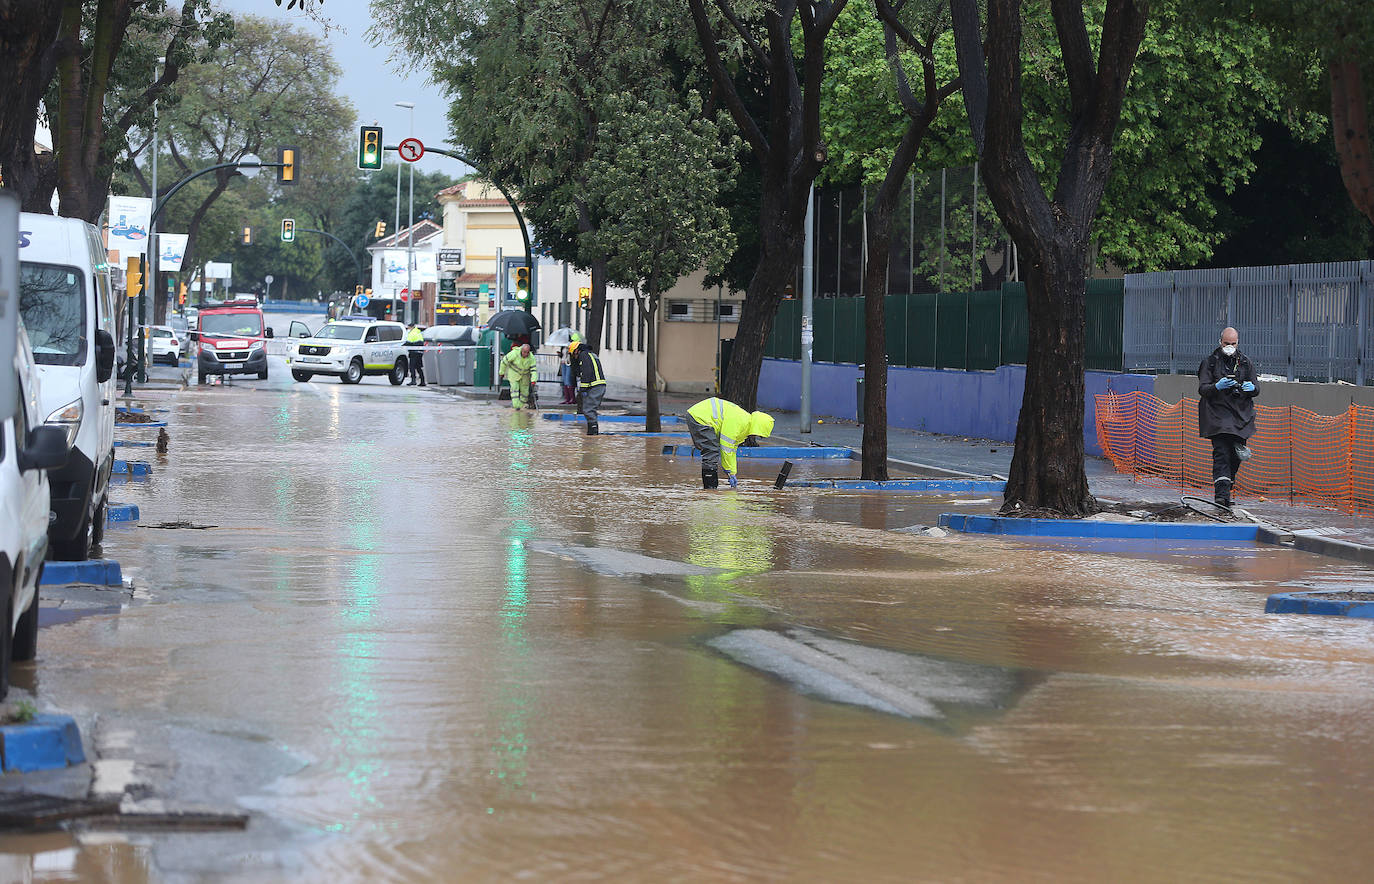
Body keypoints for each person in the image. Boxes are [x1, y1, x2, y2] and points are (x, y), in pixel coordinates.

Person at [1198, 326, 1260, 507]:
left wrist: (1251, 388)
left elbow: (1256, 388)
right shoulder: (1210, 362)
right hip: (1217, 417)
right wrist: (1217, 386)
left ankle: (1226, 490)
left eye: (1233, 343)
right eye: (1227, 343)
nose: (1230, 347)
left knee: (1235, 456)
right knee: (1221, 454)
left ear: (1238, 342)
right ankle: (1221, 497)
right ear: (1220, 342)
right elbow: (1203, 388)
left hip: (1240, 418)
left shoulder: (1245, 363)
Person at [686, 397, 776, 490]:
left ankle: (710, 488)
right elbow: (726, 446)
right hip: (700, 417)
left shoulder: (745, 427)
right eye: (758, 434)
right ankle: (710, 490)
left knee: (711, 451)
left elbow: (732, 450)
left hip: (701, 417)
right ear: (758, 427)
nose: (756, 436)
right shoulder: (740, 421)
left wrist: (732, 472)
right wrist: (728, 470)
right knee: (711, 451)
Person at [569, 339, 606, 435]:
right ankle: (592, 432)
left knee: (588, 410)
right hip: (596, 385)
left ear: (577, 350)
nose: (574, 357)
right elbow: (580, 372)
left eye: (573, 355)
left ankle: (593, 433)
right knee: (589, 409)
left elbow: (586, 372)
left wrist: (583, 389)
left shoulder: (583, 355)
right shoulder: (589, 354)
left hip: (595, 386)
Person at [500, 342, 538, 410]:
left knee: (525, 394)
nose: (526, 354)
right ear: (521, 350)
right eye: (524, 352)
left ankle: (519, 407)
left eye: (527, 352)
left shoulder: (531, 358)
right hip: (514, 374)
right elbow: (504, 362)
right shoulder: (514, 354)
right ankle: (516, 407)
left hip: (525, 376)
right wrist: (501, 373)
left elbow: (534, 370)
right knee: (514, 390)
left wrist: (533, 381)